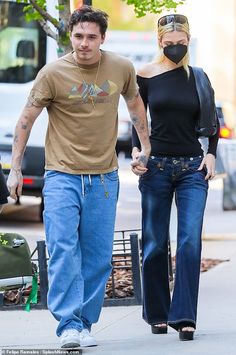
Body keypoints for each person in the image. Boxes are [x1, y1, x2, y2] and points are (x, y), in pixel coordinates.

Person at [7, 5, 150, 349]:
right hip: (61, 175)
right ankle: (68, 323)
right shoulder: (52, 73)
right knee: (62, 249)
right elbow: (25, 120)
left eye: (91, 37)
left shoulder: (121, 67)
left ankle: (85, 322)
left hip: (103, 178)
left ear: (103, 38)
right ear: (71, 36)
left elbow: (134, 105)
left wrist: (144, 146)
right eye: (78, 36)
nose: (84, 44)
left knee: (98, 255)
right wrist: (14, 169)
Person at [131, 14, 219, 341]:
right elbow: (136, 121)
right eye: (170, 43)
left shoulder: (198, 77)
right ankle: (156, 313)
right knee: (154, 243)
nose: (176, 47)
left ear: (188, 41)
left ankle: (184, 316)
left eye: (181, 43)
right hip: (156, 168)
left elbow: (212, 123)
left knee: (189, 242)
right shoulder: (145, 75)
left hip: (193, 169)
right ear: (159, 42)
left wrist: (211, 154)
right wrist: (139, 154)